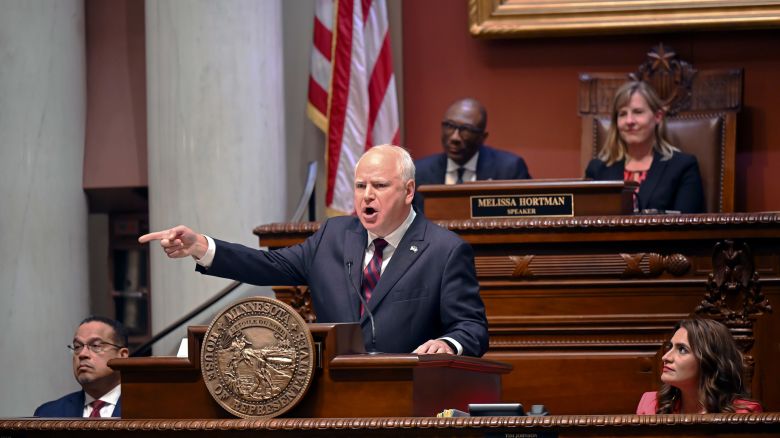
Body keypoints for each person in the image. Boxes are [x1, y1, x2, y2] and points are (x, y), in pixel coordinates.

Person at [139, 145, 489, 357]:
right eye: (360, 185)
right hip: (332, 398)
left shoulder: (444, 251)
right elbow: (268, 264)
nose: (367, 195)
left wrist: (448, 344)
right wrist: (202, 247)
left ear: (409, 191)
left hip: (408, 399)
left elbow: (472, 327)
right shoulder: (334, 236)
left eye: (380, 186)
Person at [585, 81, 705, 214]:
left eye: (638, 112)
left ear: (658, 116)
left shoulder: (683, 166)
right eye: (623, 114)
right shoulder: (597, 169)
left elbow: (689, 226)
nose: (629, 121)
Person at [413, 98, 531, 212]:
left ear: (482, 137)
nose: (455, 137)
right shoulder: (419, 172)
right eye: (449, 126)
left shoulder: (509, 170)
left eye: (466, 129)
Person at [636, 318, 763, 414]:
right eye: (670, 347)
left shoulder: (745, 412)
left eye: (682, 349)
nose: (666, 357)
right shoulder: (650, 404)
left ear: (709, 360)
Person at [34, 316, 129, 417]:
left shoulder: (145, 408)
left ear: (122, 355)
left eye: (95, 345)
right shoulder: (48, 414)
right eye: (77, 346)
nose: (82, 354)